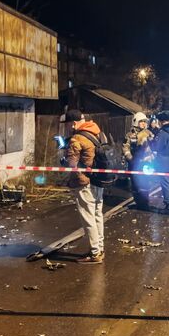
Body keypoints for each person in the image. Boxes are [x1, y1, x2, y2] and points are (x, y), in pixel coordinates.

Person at [64, 109, 106, 264]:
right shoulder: (98, 133)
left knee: (88, 218)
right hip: (97, 181)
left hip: (84, 183)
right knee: (97, 215)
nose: (68, 127)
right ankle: (99, 248)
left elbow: (72, 164)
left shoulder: (77, 138)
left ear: (73, 123)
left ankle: (95, 254)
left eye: (68, 124)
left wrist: (64, 157)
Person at [122, 112, 154, 210]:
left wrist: (151, 157)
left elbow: (154, 146)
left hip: (146, 162)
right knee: (135, 183)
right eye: (141, 122)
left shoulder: (149, 133)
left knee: (145, 182)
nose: (144, 124)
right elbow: (125, 147)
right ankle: (138, 202)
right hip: (134, 163)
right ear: (136, 122)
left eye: (145, 122)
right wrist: (130, 158)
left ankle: (145, 203)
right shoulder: (129, 135)